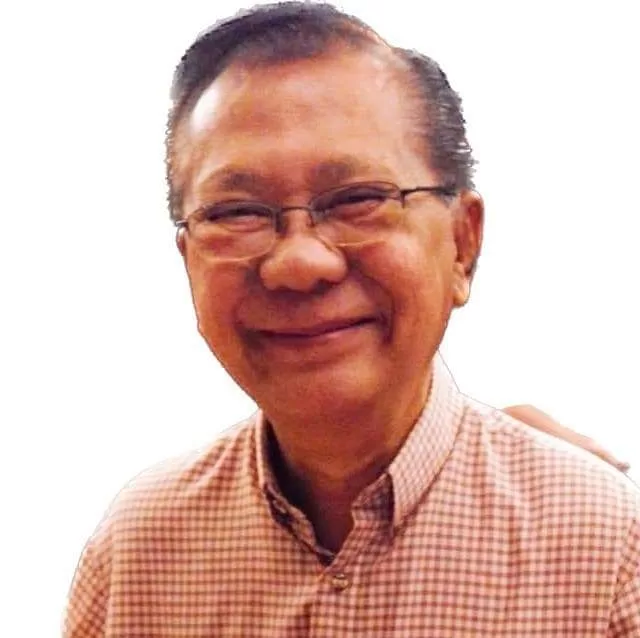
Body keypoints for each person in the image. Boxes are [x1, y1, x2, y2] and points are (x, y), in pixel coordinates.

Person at [63, 3, 639, 636]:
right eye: (237, 212)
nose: (298, 263)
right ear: (187, 258)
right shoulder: (135, 553)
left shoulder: (606, 552)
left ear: (462, 244)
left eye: (359, 199)